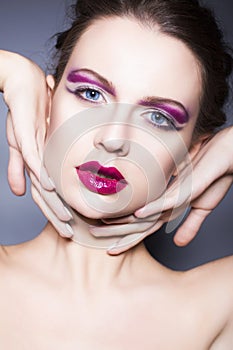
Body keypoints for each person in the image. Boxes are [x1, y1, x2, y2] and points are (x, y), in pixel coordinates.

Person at [0, 1, 233, 349]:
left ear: (192, 153)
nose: (112, 140)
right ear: (45, 107)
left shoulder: (215, 306)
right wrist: (9, 69)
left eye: (158, 117)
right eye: (91, 93)